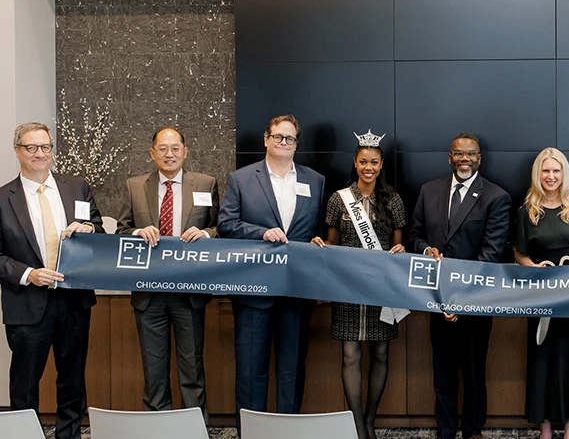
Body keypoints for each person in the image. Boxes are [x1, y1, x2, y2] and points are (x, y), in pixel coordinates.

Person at [217, 114, 325, 421]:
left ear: (296, 144)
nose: (283, 142)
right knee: (251, 372)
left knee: (292, 372)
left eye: (290, 138)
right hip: (253, 291)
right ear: (266, 139)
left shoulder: (315, 181)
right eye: (278, 137)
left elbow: (316, 231)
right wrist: (261, 233)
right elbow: (226, 225)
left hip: (297, 291)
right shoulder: (241, 179)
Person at [0, 122, 103, 439]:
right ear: (17, 151)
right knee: (24, 386)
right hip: (27, 303)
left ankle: (69, 435)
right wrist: (29, 274)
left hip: (73, 300)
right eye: (31, 147)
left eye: (45, 147)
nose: (40, 153)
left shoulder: (77, 187)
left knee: (72, 382)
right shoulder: (3, 198)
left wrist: (89, 230)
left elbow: (98, 228)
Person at [409, 132, 511, 439]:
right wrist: (426, 249)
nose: (464, 159)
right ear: (449, 158)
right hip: (436, 300)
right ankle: (446, 430)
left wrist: (460, 299)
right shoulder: (429, 191)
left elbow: (491, 255)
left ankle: (473, 430)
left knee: (474, 373)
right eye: (458, 153)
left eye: (470, 154)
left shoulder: (496, 197)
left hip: (475, 302)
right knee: (442, 374)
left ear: (479, 158)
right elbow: (415, 236)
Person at [115, 127, 219, 422]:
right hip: (149, 294)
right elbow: (121, 230)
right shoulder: (135, 186)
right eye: (162, 148)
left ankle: (194, 428)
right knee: (154, 370)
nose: (169, 154)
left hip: (190, 292)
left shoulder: (206, 183)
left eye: (175, 148)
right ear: (152, 153)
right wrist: (137, 232)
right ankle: (156, 428)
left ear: (185, 151)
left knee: (192, 369)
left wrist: (205, 233)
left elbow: (220, 228)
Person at [319, 130, 407, 439]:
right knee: (350, 355)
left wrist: (400, 251)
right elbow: (331, 244)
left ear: (381, 165)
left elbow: (398, 246)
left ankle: (370, 419)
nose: (368, 167)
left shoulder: (393, 200)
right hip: (347, 287)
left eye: (374, 162)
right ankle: (357, 425)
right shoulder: (338, 199)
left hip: (382, 288)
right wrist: (320, 247)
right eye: (363, 162)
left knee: (380, 353)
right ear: (355, 164)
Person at [513, 147, 569, 439]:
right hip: (540, 293)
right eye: (546, 171)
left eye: (556, 171)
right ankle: (544, 424)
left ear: (564, 174)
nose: (551, 176)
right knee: (542, 356)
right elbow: (519, 253)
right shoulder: (526, 211)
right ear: (538, 174)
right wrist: (532, 268)